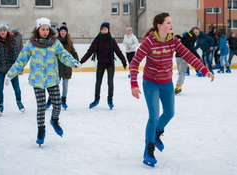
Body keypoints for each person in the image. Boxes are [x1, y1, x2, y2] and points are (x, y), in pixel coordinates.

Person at [130, 13, 214, 167]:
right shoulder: (149, 41)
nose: (172, 24)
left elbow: (188, 55)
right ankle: (148, 150)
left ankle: (157, 133)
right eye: (168, 22)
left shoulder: (173, 40)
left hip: (167, 82)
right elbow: (135, 62)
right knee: (154, 116)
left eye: (171, 22)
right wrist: (134, 84)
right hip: (151, 83)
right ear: (159, 26)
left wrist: (203, 68)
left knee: (169, 113)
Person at [5, 18, 81, 146]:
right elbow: (21, 61)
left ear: (50, 30)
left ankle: (54, 120)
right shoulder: (31, 44)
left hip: (52, 80)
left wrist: (74, 63)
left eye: (47, 29)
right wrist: (10, 74)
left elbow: (64, 55)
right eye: (42, 29)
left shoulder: (55, 43)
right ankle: (41, 130)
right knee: (41, 107)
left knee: (57, 104)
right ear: (38, 30)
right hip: (37, 80)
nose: (45, 32)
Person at [80, 22, 127, 109]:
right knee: (98, 83)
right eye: (102, 29)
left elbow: (118, 52)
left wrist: (124, 61)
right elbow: (90, 51)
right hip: (101, 64)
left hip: (110, 64)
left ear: (108, 30)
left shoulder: (112, 41)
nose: (103, 31)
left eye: (105, 29)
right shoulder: (97, 40)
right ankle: (96, 99)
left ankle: (110, 100)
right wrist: (82, 61)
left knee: (110, 82)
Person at [0, 22, 25, 116]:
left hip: (11, 69)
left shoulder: (12, 41)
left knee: (17, 89)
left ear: (7, 31)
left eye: (4, 30)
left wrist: (18, 68)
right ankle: (0, 105)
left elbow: (16, 56)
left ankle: (19, 101)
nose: (2, 32)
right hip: (0, 68)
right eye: (0, 30)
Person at [46, 22, 79, 110]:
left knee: (65, 85)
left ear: (66, 32)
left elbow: (74, 53)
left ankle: (63, 100)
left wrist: (77, 61)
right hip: (57, 67)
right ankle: (49, 100)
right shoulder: (56, 42)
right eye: (62, 31)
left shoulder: (69, 43)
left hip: (67, 67)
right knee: (54, 85)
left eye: (64, 31)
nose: (63, 32)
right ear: (59, 32)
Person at [175, 27, 201, 95]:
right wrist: (198, 56)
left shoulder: (186, 36)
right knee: (182, 73)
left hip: (177, 55)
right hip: (183, 56)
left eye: (197, 33)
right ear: (192, 31)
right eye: (195, 32)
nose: (196, 34)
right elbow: (190, 49)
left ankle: (178, 86)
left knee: (180, 72)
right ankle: (178, 86)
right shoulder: (191, 38)